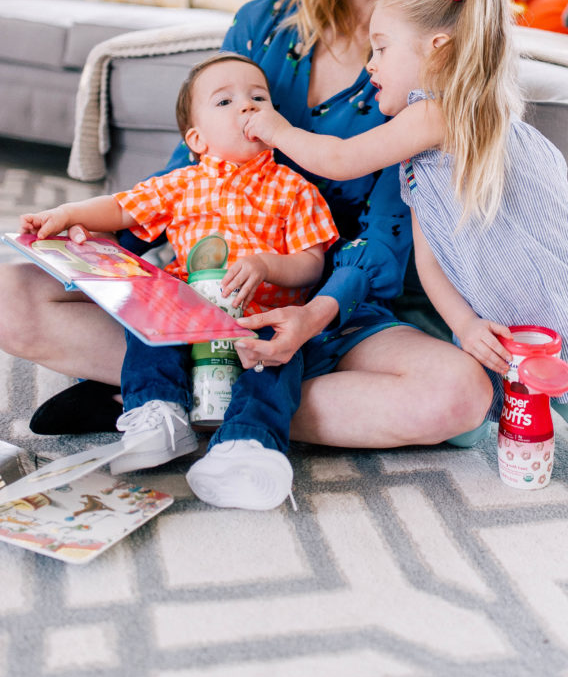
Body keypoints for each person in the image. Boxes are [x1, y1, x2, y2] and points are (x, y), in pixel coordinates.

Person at [0, 0, 495, 451]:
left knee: (461, 395)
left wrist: (311, 313)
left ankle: (167, 394)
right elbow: (193, 166)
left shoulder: (426, 64)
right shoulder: (263, 21)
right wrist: (97, 234)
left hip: (329, 307)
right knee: (12, 295)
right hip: (207, 288)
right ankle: (235, 399)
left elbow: (388, 237)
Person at [243, 0, 568, 487]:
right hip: (497, 340)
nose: (370, 65)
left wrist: (275, 127)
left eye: (382, 48)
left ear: (437, 50)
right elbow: (432, 263)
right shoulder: (417, 158)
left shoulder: (445, 115)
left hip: (563, 330)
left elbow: (340, 159)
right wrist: (464, 326)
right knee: (462, 429)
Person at [19, 52, 338, 509]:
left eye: (258, 98)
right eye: (225, 102)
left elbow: (312, 263)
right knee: (150, 318)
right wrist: (68, 213)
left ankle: (246, 446)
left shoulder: (294, 188)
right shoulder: (183, 183)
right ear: (197, 139)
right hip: (190, 312)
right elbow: (121, 208)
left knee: (276, 365)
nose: (247, 107)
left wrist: (268, 265)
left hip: (260, 316)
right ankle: (159, 413)